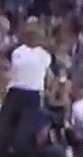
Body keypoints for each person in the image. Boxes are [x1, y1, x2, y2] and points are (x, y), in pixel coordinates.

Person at [0, 21, 54, 157]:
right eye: (30, 34)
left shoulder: (44, 55)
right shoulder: (17, 51)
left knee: (23, 138)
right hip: (15, 93)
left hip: (32, 96)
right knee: (3, 132)